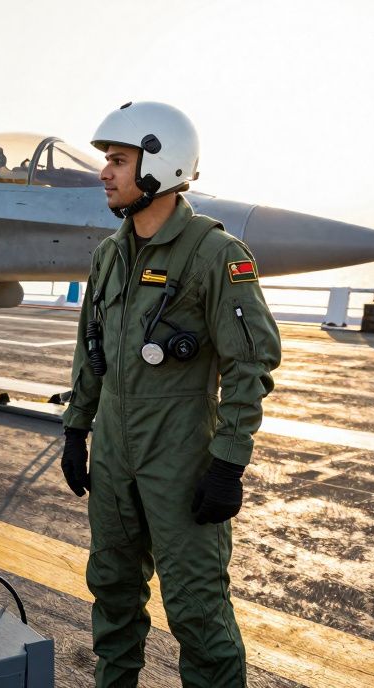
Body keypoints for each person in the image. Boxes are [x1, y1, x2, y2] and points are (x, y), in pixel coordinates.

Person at [61, 102, 281, 687]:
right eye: (106, 160)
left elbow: (250, 361)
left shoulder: (215, 255)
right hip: (112, 455)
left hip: (180, 458)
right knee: (111, 590)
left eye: (117, 160)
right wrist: (77, 428)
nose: (104, 172)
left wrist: (229, 462)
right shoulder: (109, 256)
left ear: (160, 165)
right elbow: (92, 349)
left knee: (195, 608)